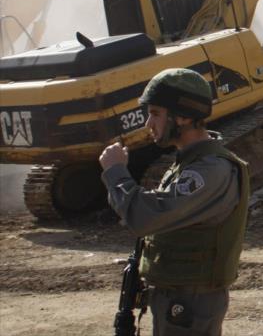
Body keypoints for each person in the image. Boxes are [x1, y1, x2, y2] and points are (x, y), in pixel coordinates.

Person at [99, 68, 250, 336]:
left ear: (183, 116)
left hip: (189, 301)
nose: (149, 124)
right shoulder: (189, 163)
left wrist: (116, 172)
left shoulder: (209, 170)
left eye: (156, 113)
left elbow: (143, 217)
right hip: (179, 295)